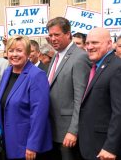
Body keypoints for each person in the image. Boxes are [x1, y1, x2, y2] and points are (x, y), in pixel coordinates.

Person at [79, 27, 121, 160]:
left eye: (95, 43)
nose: (89, 47)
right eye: (87, 43)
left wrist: (111, 147)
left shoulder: (119, 69)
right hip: (93, 145)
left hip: (107, 150)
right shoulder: (96, 67)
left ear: (110, 44)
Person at [0, 35, 52, 159]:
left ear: (27, 53)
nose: (14, 54)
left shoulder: (37, 75)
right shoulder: (7, 72)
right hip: (8, 142)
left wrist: (33, 145)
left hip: (26, 146)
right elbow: (2, 100)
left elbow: (39, 114)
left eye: (19, 51)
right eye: (11, 50)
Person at [46, 17, 91, 160]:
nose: (53, 38)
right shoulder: (56, 56)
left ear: (68, 34)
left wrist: (73, 130)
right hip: (53, 130)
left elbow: (81, 99)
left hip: (68, 133)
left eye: (57, 35)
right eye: (51, 35)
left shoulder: (80, 57)